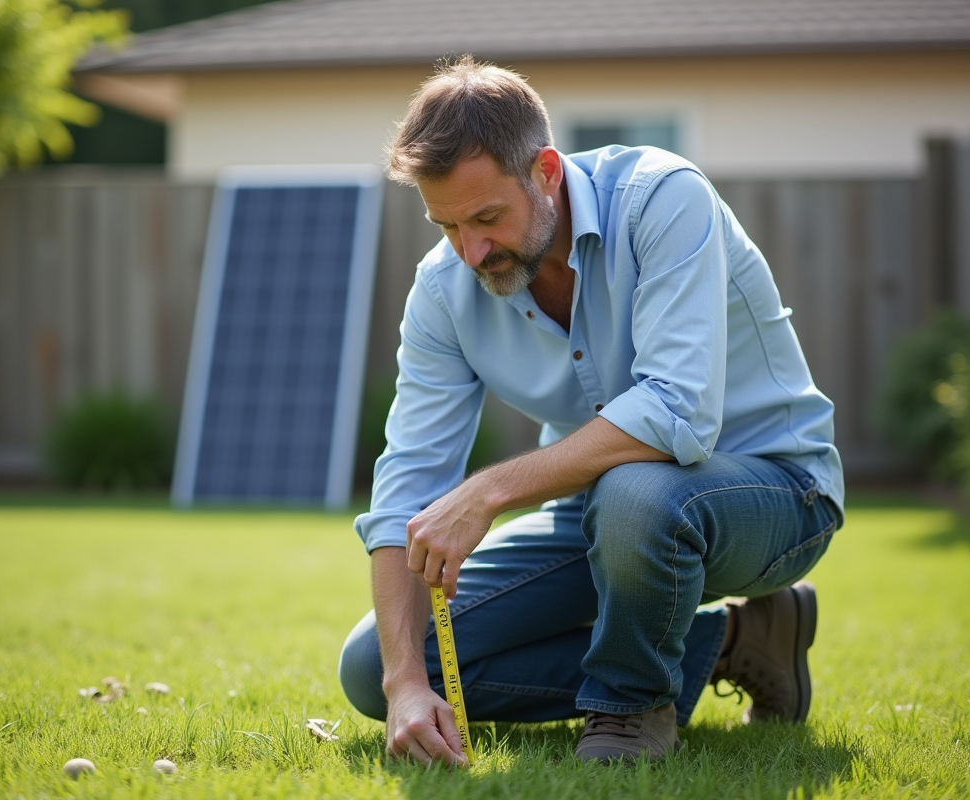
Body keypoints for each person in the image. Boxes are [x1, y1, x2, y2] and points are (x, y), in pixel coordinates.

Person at [338, 56, 845, 766]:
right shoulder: (443, 289)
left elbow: (675, 414)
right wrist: (404, 685)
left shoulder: (663, 199)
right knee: (374, 666)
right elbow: (406, 488)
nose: (471, 251)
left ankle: (631, 708)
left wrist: (486, 491)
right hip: (605, 517)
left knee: (635, 490)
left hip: (778, 496)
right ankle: (734, 643)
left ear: (546, 171)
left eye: (487, 218)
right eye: (447, 225)